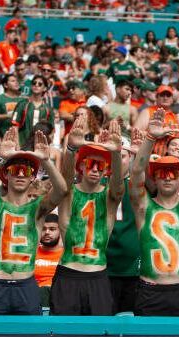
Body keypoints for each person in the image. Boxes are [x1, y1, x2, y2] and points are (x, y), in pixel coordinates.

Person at [0, 126, 67, 315]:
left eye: (25, 170)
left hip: (26, 285)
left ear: (33, 177)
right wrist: (0, 159)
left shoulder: (38, 209)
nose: (19, 174)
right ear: (5, 175)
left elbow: (61, 190)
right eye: (14, 169)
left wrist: (46, 161)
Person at [130, 107, 179, 316]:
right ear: (154, 178)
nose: (168, 177)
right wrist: (149, 138)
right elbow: (136, 172)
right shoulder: (143, 207)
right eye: (162, 173)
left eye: (174, 173)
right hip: (149, 292)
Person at [51, 118, 123, 316]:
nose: (95, 170)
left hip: (97, 276)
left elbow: (118, 189)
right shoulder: (70, 194)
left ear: (106, 171)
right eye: (91, 164)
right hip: (68, 274)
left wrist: (116, 154)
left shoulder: (108, 198)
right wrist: (71, 149)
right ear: (80, 167)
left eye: (101, 167)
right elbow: (64, 182)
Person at [106, 137, 141, 313]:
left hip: (133, 269)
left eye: (123, 156)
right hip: (104, 266)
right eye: (115, 156)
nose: (119, 161)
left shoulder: (139, 187)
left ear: (131, 157)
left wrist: (141, 153)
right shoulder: (98, 185)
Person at [11, 75, 54, 149]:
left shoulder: (48, 108)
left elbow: (52, 131)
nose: (36, 85)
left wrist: (47, 147)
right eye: (34, 83)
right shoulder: (23, 104)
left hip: (40, 148)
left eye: (40, 84)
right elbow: (15, 126)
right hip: (22, 145)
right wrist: (17, 146)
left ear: (45, 88)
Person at [34, 213, 63, 308]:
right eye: (43, 229)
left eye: (52, 229)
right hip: (34, 297)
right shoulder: (31, 253)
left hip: (60, 296)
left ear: (60, 231)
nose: (47, 232)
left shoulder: (66, 254)